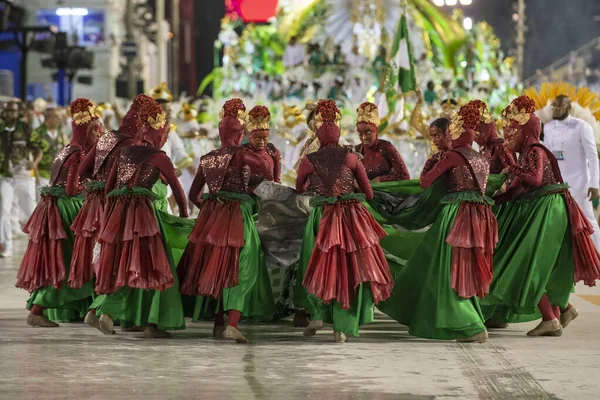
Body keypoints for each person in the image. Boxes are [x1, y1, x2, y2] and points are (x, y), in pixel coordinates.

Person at [378, 101, 498, 342]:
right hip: (480, 216)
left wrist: (433, 162)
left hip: (455, 215)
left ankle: (471, 326)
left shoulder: (452, 156)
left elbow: (424, 182)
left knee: (446, 268)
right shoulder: (481, 158)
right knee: (463, 269)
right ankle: (469, 320)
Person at [482, 95, 600, 336]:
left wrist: (511, 168)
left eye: (513, 130)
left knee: (529, 263)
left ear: (526, 131)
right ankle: (562, 311)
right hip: (540, 206)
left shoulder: (535, 150)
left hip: (548, 208)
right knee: (536, 264)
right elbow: (516, 188)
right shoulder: (527, 151)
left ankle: (551, 319)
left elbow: (534, 178)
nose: (508, 135)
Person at [295, 99, 394, 343]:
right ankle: (342, 327)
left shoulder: (309, 160)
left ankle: (317, 313)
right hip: (349, 218)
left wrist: (316, 186)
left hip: (320, 216)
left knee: (316, 265)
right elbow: (368, 193)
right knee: (347, 270)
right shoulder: (351, 158)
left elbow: (300, 189)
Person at [92, 94, 189, 339]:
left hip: (118, 212)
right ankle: (152, 324)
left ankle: (107, 312)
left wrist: (115, 209)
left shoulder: (125, 152)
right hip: (144, 215)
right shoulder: (159, 157)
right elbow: (178, 191)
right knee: (155, 266)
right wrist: (185, 217)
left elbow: (108, 187)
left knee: (124, 264)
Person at [177, 98, 273, 344]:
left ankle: (219, 324)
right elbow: (267, 171)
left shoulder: (207, 158)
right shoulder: (242, 155)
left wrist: (211, 211)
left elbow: (193, 195)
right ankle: (232, 323)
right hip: (238, 215)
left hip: (212, 217)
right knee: (243, 268)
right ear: (240, 132)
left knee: (219, 269)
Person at [16, 98, 100, 327]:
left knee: (65, 261)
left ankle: (76, 309)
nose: (98, 136)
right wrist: (92, 185)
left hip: (52, 207)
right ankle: (38, 310)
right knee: (73, 261)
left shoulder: (66, 149)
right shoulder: (79, 154)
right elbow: (72, 188)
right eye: (95, 131)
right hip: (67, 209)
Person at [68, 99, 143, 299]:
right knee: (110, 253)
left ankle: (98, 304)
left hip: (93, 202)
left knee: (95, 249)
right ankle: (103, 306)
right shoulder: (132, 143)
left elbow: (83, 170)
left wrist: (94, 184)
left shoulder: (107, 139)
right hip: (114, 202)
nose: (100, 132)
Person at [543, 94, 600, 251]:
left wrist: (594, 185)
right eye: (553, 106)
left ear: (569, 108)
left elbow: (592, 158)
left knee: (588, 221)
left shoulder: (582, 127)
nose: (555, 109)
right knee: (561, 222)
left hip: (580, 184)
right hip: (558, 184)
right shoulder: (547, 128)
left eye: (559, 106)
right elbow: (549, 157)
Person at [0, 101, 43, 258]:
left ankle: (39, 245)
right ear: (3, 113)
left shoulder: (25, 128)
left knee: (30, 212)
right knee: (4, 209)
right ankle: (6, 245)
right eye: (7, 111)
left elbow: (39, 150)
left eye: (13, 111)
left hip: (23, 176)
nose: (9, 114)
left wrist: (35, 163)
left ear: (18, 113)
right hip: (5, 176)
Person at [354, 102, 410, 182]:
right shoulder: (356, 150)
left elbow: (405, 176)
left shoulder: (387, 148)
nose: (364, 137)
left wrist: (381, 179)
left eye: (368, 133)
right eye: (360, 134)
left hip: (387, 193)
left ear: (376, 130)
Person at [242, 105, 281, 191]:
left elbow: (277, 181)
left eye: (265, 139)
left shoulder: (273, 152)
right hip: (247, 198)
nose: (262, 142)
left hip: (269, 198)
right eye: (258, 139)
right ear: (250, 137)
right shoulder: (242, 153)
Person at [472, 100, 513, 174]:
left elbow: (511, 171)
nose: (474, 139)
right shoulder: (484, 148)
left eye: (477, 134)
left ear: (488, 129)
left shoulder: (500, 146)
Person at [36, 107, 68, 188]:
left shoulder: (60, 132)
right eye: (57, 117)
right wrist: (37, 176)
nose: (59, 119)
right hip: (42, 175)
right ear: (48, 118)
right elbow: (33, 156)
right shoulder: (37, 134)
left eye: (60, 116)